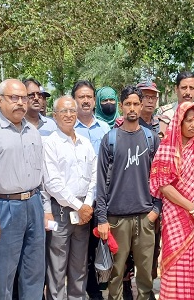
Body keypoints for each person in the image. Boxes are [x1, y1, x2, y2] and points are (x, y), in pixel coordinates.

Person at [0, 79, 45, 299]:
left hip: (33, 204)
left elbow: (41, 175)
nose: (21, 103)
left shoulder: (33, 131)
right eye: (14, 98)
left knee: (34, 273)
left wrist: (43, 208)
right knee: (3, 276)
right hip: (3, 207)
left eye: (24, 98)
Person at [95, 86, 161, 300]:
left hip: (145, 217)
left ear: (142, 106)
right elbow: (101, 183)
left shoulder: (151, 139)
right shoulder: (110, 139)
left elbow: (161, 179)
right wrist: (102, 218)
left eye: (136, 104)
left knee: (145, 276)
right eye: (128, 104)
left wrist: (156, 211)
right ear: (121, 107)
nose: (132, 108)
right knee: (116, 274)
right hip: (116, 219)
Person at [149, 102, 194, 299]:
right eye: (188, 120)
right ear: (179, 122)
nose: (193, 125)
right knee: (176, 266)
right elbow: (163, 185)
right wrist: (192, 207)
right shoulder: (167, 149)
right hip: (176, 218)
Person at [42, 95, 97, 300]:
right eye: (63, 111)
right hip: (61, 212)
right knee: (57, 268)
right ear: (55, 116)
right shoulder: (50, 143)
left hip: (83, 213)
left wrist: (87, 205)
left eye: (72, 111)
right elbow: (53, 183)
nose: (68, 115)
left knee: (79, 265)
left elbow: (94, 176)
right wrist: (78, 206)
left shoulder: (84, 143)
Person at [70, 80, 110, 300]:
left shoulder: (105, 129)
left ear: (94, 101)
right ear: (74, 100)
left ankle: (96, 292)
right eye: (80, 97)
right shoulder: (67, 129)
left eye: (89, 97)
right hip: (76, 200)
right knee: (78, 250)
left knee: (98, 246)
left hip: (101, 198)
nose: (85, 101)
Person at [157, 71, 194, 138]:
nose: (188, 92)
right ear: (176, 89)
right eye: (184, 88)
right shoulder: (165, 113)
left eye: (191, 88)